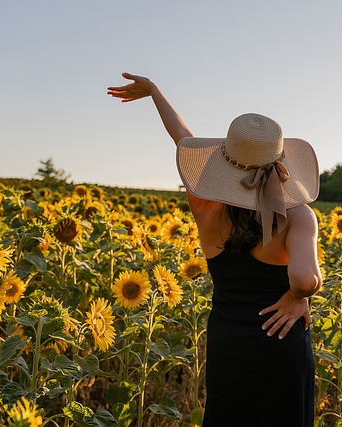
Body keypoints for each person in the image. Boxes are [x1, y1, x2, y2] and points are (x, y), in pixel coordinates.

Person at [107, 73, 322, 427]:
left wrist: (156, 93)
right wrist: (298, 297)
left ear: (225, 160)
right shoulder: (298, 215)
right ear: (281, 161)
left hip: (229, 341)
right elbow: (305, 277)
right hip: (281, 341)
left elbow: (184, 141)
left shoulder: (204, 203)